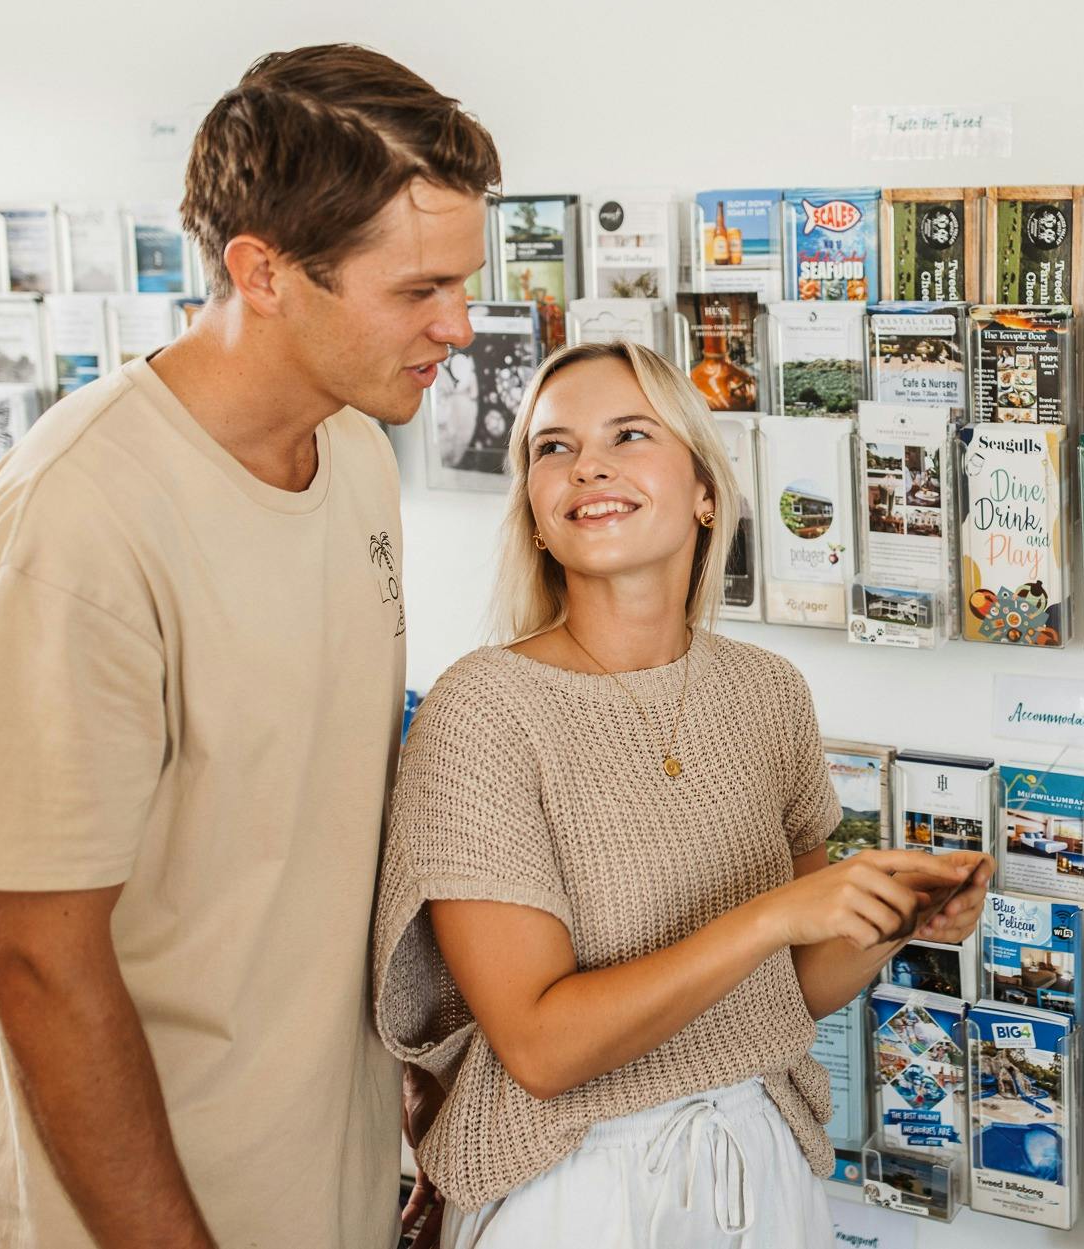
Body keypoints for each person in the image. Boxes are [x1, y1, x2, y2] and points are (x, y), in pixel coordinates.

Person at [0, 44, 498, 1248]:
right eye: (417, 291)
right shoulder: (74, 520)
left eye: (464, 282)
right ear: (265, 271)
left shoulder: (351, 450)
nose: (460, 326)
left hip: (327, 1183)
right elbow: (38, 964)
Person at [373, 342, 992, 1247]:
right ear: (538, 518)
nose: (588, 464)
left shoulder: (767, 691)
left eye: (629, 434)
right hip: (570, 1184)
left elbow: (790, 990)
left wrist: (891, 919)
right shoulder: (484, 709)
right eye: (553, 447)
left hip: (763, 1159)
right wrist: (776, 914)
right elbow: (542, 1049)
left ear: (706, 489)